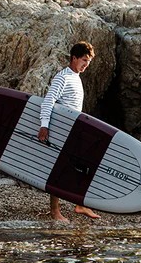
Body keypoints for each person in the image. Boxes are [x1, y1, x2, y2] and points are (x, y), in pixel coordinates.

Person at [38, 41, 101, 221]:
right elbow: (48, 101)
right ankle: (55, 212)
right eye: (84, 60)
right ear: (74, 58)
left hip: (74, 130)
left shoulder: (76, 77)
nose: (86, 65)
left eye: (88, 61)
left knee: (83, 166)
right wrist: (44, 125)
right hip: (62, 130)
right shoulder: (62, 77)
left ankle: (80, 204)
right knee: (59, 168)